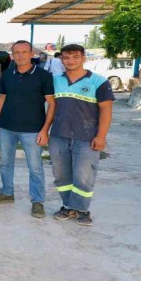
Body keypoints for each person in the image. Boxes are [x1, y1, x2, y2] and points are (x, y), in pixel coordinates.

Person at [0, 40, 55, 219]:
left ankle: (37, 201)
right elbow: (1, 99)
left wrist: (45, 129)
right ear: (12, 55)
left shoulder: (43, 76)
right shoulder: (7, 75)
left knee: (35, 167)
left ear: (31, 53)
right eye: (16, 52)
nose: (20, 55)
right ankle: (7, 192)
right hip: (6, 127)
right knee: (5, 163)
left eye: (24, 52)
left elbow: (51, 104)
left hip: (32, 129)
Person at [49, 44, 114, 226]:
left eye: (75, 57)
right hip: (59, 135)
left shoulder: (99, 82)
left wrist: (101, 136)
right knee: (61, 175)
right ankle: (68, 206)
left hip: (87, 137)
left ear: (84, 58)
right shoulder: (54, 80)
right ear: (61, 59)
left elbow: (106, 111)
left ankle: (82, 209)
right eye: (66, 57)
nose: (71, 61)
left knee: (83, 176)